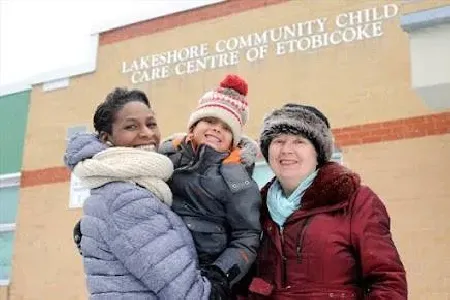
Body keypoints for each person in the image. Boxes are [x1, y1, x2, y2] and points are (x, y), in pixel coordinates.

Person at [64, 88, 229, 299]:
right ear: (107, 138)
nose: (147, 133)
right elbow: (190, 294)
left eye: (151, 124)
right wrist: (221, 282)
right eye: (131, 126)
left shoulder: (139, 186)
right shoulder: (127, 199)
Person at [244, 103, 407, 299]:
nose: (286, 150)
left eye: (299, 142)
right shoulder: (256, 208)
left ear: (318, 153)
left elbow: (387, 281)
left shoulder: (355, 201)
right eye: (278, 141)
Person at [158, 74, 261, 287]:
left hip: (204, 273)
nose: (216, 129)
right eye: (210, 121)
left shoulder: (237, 178)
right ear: (192, 127)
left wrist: (221, 274)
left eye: (226, 128)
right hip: (157, 259)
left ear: (233, 141)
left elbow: (247, 234)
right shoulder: (165, 158)